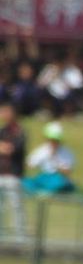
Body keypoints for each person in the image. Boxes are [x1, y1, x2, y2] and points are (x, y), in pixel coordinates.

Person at [22, 121, 75, 193]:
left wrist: (55, 159)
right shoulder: (42, 150)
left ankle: (47, 192)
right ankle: (41, 191)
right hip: (44, 176)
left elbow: (67, 171)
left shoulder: (66, 152)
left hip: (58, 178)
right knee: (25, 182)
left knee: (60, 183)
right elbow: (29, 164)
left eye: (56, 140)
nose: (54, 142)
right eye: (51, 139)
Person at [0, 101, 26, 236]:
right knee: (1, 207)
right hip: (1, 172)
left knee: (16, 205)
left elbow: (12, 149)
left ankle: (19, 235)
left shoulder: (20, 131)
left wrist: (3, 147)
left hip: (13, 174)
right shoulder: (2, 131)